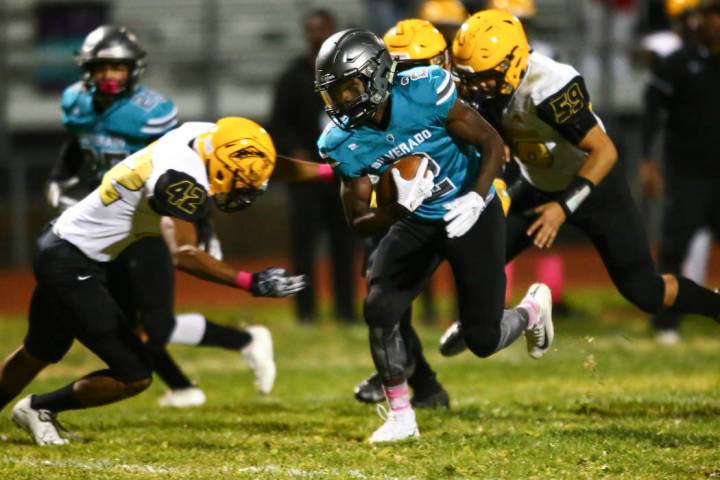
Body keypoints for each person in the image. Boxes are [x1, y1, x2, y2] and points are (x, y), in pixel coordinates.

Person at [0, 117, 309, 445]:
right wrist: (252, 281)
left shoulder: (203, 135)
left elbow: (263, 163)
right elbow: (185, 253)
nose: (244, 186)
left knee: (40, 349)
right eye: (239, 180)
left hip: (64, 243)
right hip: (71, 262)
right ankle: (39, 408)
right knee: (134, 374)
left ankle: (34, 409)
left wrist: (331, 170)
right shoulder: (179, 180)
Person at [315, 28, 554, 443]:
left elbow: (491, 142)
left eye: (350, 88)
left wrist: (478, 199)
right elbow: (357, 221)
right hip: (417, 220)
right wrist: (395, 210)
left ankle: (531, 310)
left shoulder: (425, 91)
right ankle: (401, 415)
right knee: (379, 304)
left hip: (469, 209)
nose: (342, 102)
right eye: (334, 93)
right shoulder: (342, 141)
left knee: (483, 338)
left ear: (375, 76)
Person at [439, 9, 720, 355]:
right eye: (470, 77)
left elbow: (604, 152)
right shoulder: (492, 86)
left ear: (512, 62)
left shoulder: (550, 85)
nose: (476, 86)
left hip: (593, 187)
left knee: (646, 293)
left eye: (483, 77)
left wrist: (563, 206)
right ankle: (483, 323)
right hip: (538, 184)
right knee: (476, 250)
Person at [45, 25, 270, 409]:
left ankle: (241, 344)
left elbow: (187, 176)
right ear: (87, 69)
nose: (109, 75)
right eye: (101, 67)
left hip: (149, 219)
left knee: (155, 324)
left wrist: (203, 225)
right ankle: (184, 386)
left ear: (134, 69)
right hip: (111, 218)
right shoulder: (77, 102)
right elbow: (77, 142)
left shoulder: (150, 113)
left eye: (117, 67)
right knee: (128, 320)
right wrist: (59, 176)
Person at [270, 9, 358, 324]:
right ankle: (305, 311)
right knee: (304, 245)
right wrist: (295, 152)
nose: (318, 36)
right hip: (306, 176)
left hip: (343, 174)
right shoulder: (292, 76)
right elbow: (278, 124)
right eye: (312, 31)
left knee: (345, 244)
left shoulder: (350, 73)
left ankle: (346, 310)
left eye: (323, 30)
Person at [640, 0, 720, 344]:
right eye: (710, 14)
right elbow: (652, 112)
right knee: (674, 247)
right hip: (689, 173)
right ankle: (666, 323)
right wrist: (647, 159)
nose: (714, 21)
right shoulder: (678, 62)